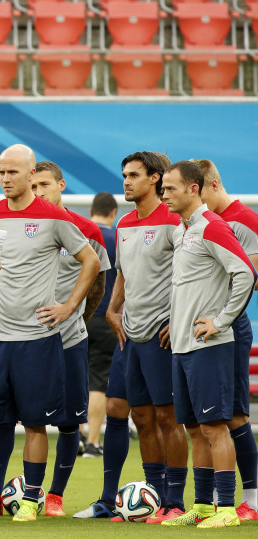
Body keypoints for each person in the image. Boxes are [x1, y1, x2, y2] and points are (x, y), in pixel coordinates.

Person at [0, 144, 100, 524]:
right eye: (1, 172)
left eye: (13, 172)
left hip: (38, 340)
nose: (6, 179)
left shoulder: (53, 217)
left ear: (31, 175)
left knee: (34, 422)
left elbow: (90, 261)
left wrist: (69, 306)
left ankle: (30, 498)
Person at [74, 151, 189, 522]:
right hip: (130, 336)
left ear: (155, 179)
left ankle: (175, 501)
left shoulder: (175, 221)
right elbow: (122, 272)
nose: (125, 181)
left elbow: (188, 275)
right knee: (131, 413)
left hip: (161, 336)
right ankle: (141, 495)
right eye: (124, 174)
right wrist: (112, 307)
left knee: (167, 417)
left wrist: (178, 317)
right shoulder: (123, 224)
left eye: (134, 175)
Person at [160, 160, 255, 528]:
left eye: (171, 188)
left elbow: (245, 273)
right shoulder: (184, 230)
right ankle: (200, 506)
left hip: (209, 346)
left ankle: (227, 509)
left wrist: (221, 320)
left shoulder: (213, 227)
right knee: (195, 428)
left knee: (216, 426)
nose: (164, 194)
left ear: (194, 188)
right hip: (183, 346)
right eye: (163, 188)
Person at [30, 162, 110, 517]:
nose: (38, 192)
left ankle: (55, 497)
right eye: (32, 186)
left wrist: (75, 314)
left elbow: (98, 284)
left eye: (44, 185)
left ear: (61, 185)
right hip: (22, 341)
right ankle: (6, 494)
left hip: (68, 339)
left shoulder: (87, 229)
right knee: (15, 419)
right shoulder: (18, 226)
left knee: (67, 421)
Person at [195, 158, 258, 522]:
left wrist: (221, 319)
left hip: (229, 328)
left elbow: (248, 278)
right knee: (207, 418)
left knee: (233, 414)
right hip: (202, 328)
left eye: (197, 190)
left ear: (213, 185)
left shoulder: (244, 220)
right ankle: (214, 499)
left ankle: (250, 498)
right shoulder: (200, 223)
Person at [84, 192, 119, 456]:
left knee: (79, 378)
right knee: (98, 381)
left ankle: (78, 435)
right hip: (107, 316)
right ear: (112, 213)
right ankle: (93, 442)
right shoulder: (117, 237)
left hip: (77, 315)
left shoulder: (79, 233)